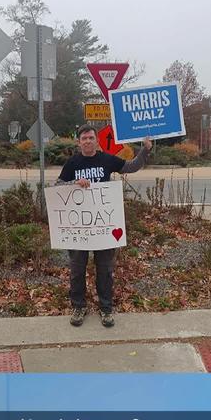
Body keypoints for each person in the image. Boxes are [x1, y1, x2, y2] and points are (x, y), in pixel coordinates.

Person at [56, 125, 152, 327]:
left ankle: (106, 308)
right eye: (84, 138)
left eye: (91, 137)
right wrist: (74, 182)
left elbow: (131, 166)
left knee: (105, 270)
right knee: (76, 270)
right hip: (79, 227)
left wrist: (145, 149)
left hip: (104, 226)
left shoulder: (106, 159)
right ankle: (78, 307)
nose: (88, 141)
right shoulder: (72, 163)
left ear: (96, 140)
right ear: (79, 142)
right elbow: (57, 187)